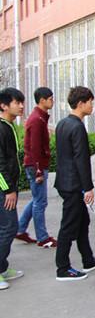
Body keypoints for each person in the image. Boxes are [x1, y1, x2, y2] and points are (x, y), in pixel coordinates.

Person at [54, 87, 95, 281]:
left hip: (65, 182)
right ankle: (63, 268)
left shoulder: (63, 123)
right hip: (73, 185)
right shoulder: (77, 127)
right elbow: (81, 160)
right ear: (81, 103)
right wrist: (88, 188)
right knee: (68, 226)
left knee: (83, 221)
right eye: (90, 102)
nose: (93, 105)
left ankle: (88, 259)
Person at [16, 87, 57, 248]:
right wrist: (38, 171)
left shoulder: (39, 118)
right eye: (50, 99)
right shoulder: (36, 120)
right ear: (42, 100)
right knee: (40, 202)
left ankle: (20, 229)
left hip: (36, 165)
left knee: (36, 199)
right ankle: (43, 237)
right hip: (36, 166)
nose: (52, 101)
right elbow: (34, 148)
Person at [0, 88, 25, 290]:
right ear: (4, 105)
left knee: (7, 227)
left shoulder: (8, 126)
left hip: (8, 187)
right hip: (4, 189)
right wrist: (8, 189)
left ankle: (2, 267)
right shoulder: (1, 128)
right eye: (17, 102)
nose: (21, 106)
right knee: (9, 228)